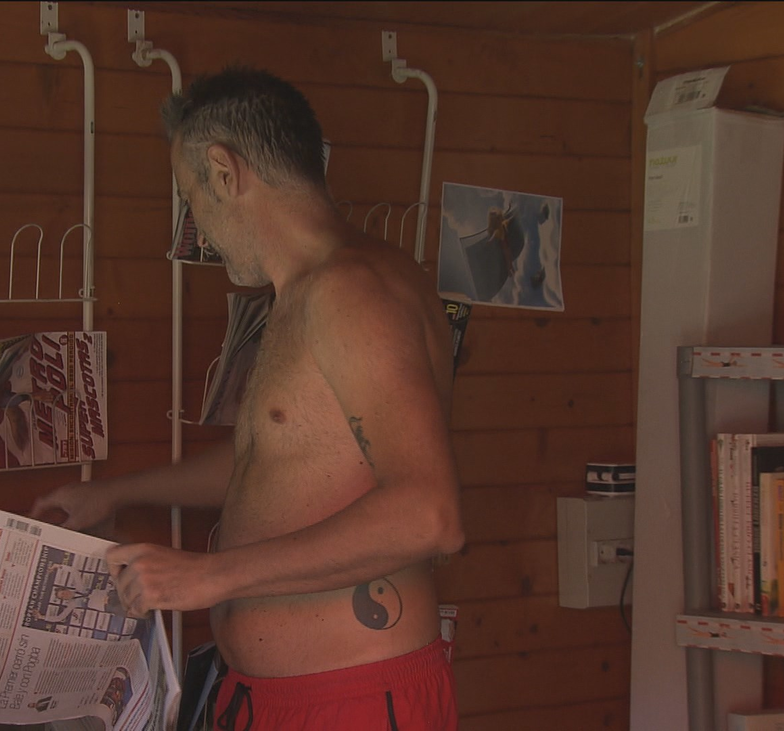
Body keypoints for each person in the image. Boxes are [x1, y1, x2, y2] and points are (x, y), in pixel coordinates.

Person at [30, 67, 464, 730]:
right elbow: (271, 462)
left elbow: (429, 515)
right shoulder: (300, 297)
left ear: (224, 171)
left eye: (190, 198)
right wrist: (117, 493)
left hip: (353, 698)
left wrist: (210, 577)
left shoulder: (351, 292)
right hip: (272, 698)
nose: (196, 226)